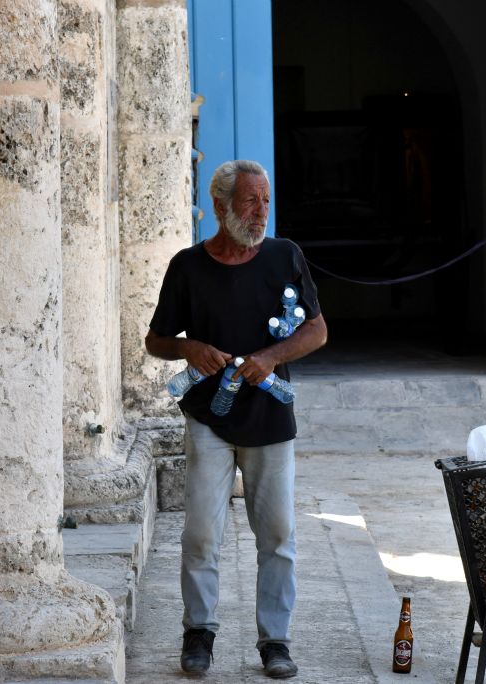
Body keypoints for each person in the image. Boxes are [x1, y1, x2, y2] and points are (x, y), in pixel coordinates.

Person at [145, 159, 327, 678]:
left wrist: (270, 358)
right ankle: (198, 633)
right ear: (220, 205)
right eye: (250, 201)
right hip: (209, 418)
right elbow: (155, 340)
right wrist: (189, 347)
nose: (261, 211)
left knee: (277, 537)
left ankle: (275, 641)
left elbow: (316, 332)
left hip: (270, 418)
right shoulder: (187, 266)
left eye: (265, 200)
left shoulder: (284, 257)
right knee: (201, 533)